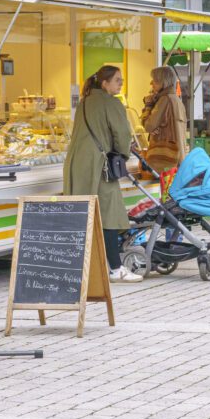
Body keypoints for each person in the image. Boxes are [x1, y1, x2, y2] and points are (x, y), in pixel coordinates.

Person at [64, 66, 142, 283]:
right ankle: (116, 268)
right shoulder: (112, 103)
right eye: (117, 80)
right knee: (109, 215)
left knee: (81, 214)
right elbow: (122, 133)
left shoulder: (84, 102)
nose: (121, 83)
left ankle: (76, 267)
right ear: (105, 83)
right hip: (99, 166)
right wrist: (123, 154)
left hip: (77, 163)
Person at [140, 66, 187, 172]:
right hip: (178, 158)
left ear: (163, 82)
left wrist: (148, 107)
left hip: (164, 160)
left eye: (155, 81)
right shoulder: (177, 100)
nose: (151, 83)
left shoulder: (164, 100)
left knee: (163, 187)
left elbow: (148, 126)